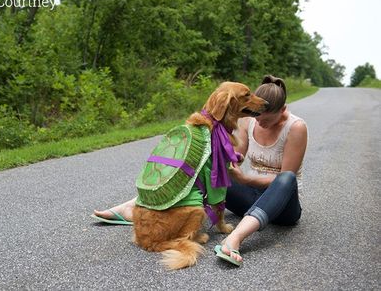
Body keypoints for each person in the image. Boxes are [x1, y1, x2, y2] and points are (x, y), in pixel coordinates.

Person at [93, 75, 308, 266]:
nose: (258, 121)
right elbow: (232, 162)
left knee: (287, 178)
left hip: (282, 206)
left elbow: (281, 178)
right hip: (249, 198)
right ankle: (135, 206)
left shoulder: (296, 127)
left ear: (283, 111)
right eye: (256, 117)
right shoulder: (249, 121)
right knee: (206, 171)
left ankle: (235, 239)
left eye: (265, 119)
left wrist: (245, 179)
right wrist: (233, 160)